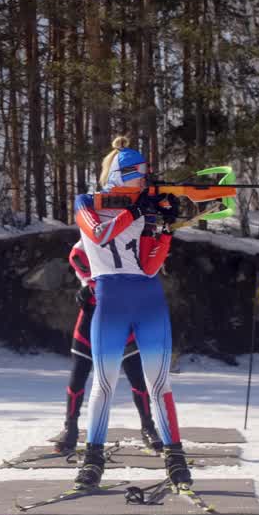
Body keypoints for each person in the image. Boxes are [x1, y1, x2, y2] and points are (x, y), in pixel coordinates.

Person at [71, 136, 191, 491]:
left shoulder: (144, 207)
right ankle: (92, 461)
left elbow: (151, 265)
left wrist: (165, 228)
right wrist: (136, 211)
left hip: (148, 299)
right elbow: (98, 231)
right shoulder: (88, 203)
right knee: (104, 385)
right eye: (139, 176)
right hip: (110, 300)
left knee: (160, 385)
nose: (144, 182)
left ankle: (176, 460)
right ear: (123, 175)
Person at [48, 240, 162, 454]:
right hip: (92, 317)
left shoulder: (129, 236)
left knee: (137, 377)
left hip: (122, 317)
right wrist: (89, 286)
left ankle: (148, 427)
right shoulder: (88, 238)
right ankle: (70, 428)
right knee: (77, 377)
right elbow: (77, 256)